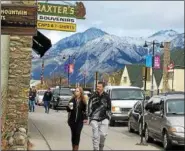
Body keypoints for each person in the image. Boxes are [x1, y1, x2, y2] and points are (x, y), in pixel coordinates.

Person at [88, 82, 111, 151]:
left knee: (103, 135)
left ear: (103, 87)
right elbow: (89, 107)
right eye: (97, 86)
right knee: (95, 136)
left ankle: (101, 146)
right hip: (94, 118)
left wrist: (108, 117)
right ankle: (95, 149)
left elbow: (109, 107)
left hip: (104, 118)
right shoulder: (93, 96)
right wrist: (89, 117)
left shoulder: (107, 96)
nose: (98, 88)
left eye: (99, 86)